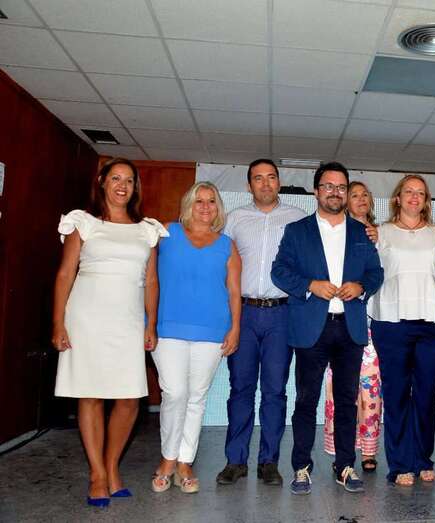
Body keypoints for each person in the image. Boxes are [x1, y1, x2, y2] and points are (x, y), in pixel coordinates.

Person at [52, 157, 167, 507]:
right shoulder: (82, 223)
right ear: (102, 181)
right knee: (90, 395)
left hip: (128, 321)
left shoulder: (147, 230)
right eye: (115, 178)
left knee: (130, 399)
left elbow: (151, 281)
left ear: (135, 188)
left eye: (129, 180)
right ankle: (98, 474)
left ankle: (112, 464)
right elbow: (64, 274)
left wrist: (151, 323)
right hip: (86, 318)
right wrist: (58, 322)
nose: (122, 185)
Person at [271, 162, 384, 495]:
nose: (335, 192)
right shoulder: (297, 230)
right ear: (316, 190)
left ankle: (344, 466)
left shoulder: (362, 232)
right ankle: (301, 467)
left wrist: (361, 287)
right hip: (310, 328)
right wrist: (309, 285)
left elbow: (375, 273)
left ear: (346, 192)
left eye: (341, 187)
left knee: (348, 401)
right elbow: (279, 271)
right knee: (306, 400)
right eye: (328, 186)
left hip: (348, 328)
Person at [216, 159, 306, 487]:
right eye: (258, 178)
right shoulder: (234, 220)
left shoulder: (298, 218)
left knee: (275, 391)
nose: (265, 184)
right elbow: (220, 263)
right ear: (248, 185)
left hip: (283, 315)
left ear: (279, 182)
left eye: (271, 178)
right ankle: (235, 460)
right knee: (240, 388)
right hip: (244, 314)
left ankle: (269, 461)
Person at [150, 182, 241, 494]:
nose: (205, 207)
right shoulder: (165, 233)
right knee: (174, 393)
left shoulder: (227, 245)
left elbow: (233, 291)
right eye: (199, 200)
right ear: (188, 204)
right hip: (167, 329)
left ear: (218, 208)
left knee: (196, 397)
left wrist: (235, 328)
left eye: (212, 201)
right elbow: (147, 278)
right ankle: (167, 458)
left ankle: (185, 461)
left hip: (212, 332)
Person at [367, 174, 435, 486]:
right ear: (398, 198)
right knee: (397, 395)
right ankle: (400, 464)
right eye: (409, 192)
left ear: (427, 201)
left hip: (431, 324)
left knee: (427, 395)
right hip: (391, 322)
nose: (415, 197)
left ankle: (423, 459)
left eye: (421, 193)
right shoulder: (381, 234)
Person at [323, 181, 382, 472]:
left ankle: (369, 451)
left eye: (364, 194)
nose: (359, 199)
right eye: (354, 194)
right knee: (340, 390)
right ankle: (341, 452)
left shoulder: (381, 233)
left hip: (374, 322)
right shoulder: (336, 233)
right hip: (341, 321)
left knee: (371, 391)